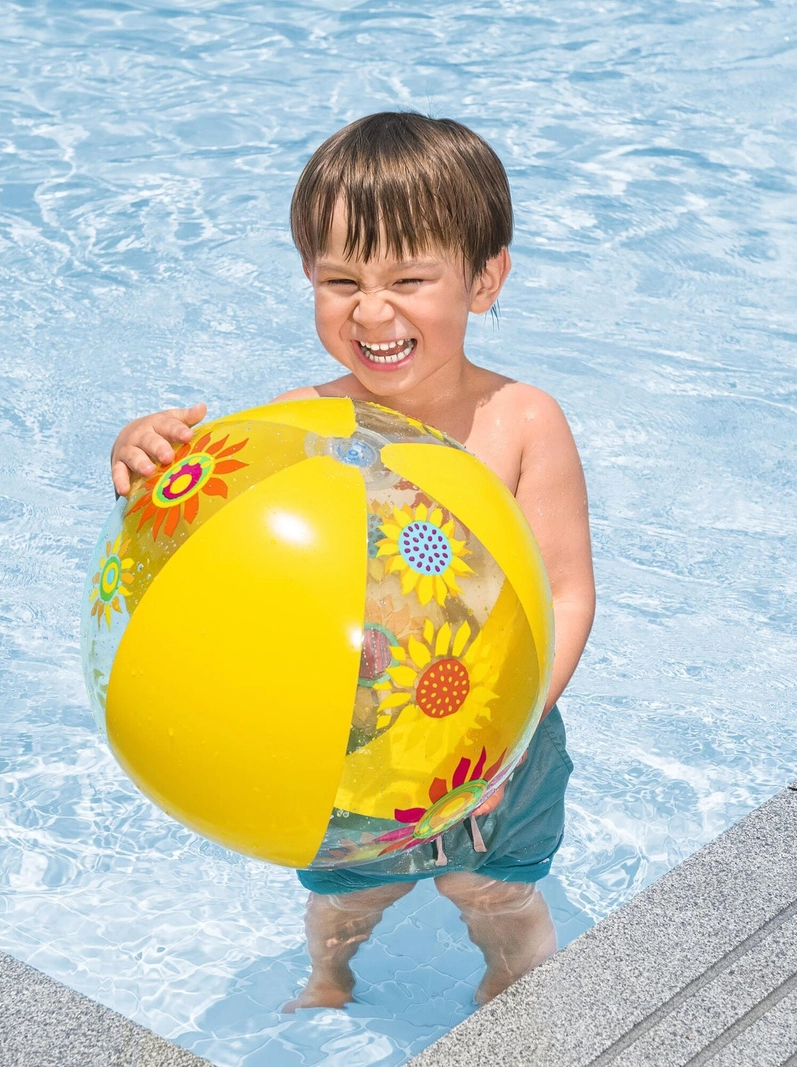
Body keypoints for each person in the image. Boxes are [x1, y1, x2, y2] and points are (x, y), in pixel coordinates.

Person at [108, 111, 595, 1011]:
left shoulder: (522, 422)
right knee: (346, 895)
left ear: (485, 279)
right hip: (347, 740)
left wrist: (507, 743)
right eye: (341, 281)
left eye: (408, 279)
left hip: (500, 739)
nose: (371, 312)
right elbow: (210, 562)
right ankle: (330, 977)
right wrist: (146, 459)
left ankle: (515, 988)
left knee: (494, 888)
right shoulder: (299, 426)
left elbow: (564, 594)